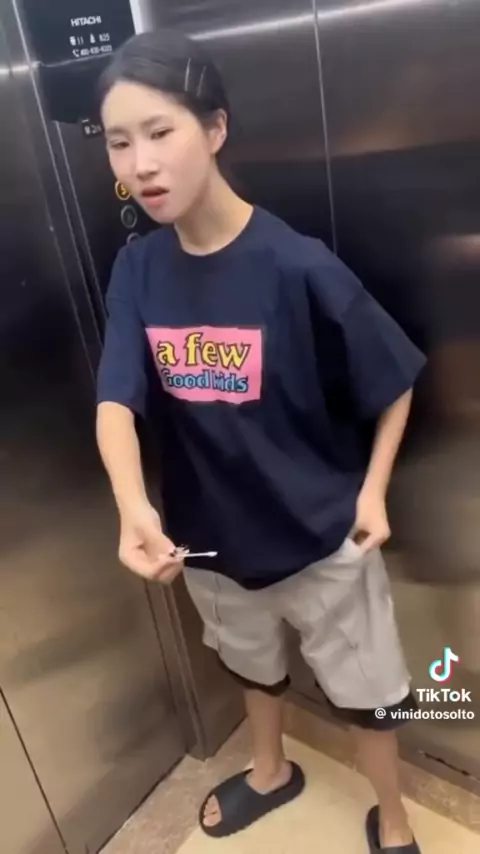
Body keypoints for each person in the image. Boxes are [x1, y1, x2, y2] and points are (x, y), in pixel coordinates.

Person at [96, 28, 426, 854]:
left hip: (320, 539)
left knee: (367, 696)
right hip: (209, 543)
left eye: (160, 132)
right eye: (119, 142)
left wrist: (373, 491)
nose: (140, 165)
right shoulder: (139, 268)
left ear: (215, 128)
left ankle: (393, 817)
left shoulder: (296, 265)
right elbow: (115, 399)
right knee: (249, 666)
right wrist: (133, 505)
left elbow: (394, 379)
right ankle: (271, 771)